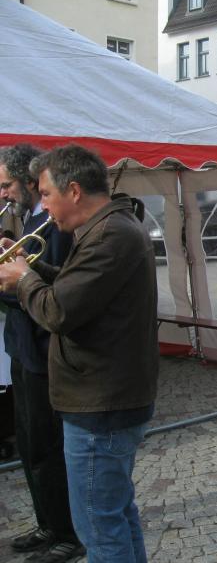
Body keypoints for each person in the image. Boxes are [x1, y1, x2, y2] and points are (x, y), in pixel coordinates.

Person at [0, 144, 159, 563]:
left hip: (100, 402)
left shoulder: (108, 235)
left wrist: (23, 280)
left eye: (46, 194)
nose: (44, 206)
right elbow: (77, 289)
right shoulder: (108, 228)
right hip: (105, 397)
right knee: (116, 514)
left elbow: (58, 311)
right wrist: (33, 267)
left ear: (73, 190)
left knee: (99, 526)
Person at [0, 145, 80, 563]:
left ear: (30, 183)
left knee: (48, 448)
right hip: (23, 348)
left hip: (42, 351)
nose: (3, 194)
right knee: (31, 446)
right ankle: (47, 522)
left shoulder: (53, 225)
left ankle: (67, 531)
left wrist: (10, 282)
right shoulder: (32, 221)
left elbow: (50, 293)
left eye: (7, 185)